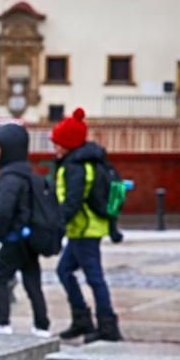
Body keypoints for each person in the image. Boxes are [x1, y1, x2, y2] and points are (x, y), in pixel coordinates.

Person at [51, 108, 123, 342]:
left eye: (58, 143)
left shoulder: (75, 167)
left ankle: (107, 327)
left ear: (69, 144)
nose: (55, 147)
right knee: (64, 271)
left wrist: (57, 227)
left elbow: (72, 202)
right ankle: (82, 320)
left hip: (85, 230)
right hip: (84, 229)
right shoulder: (87, 161)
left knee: (94, 278)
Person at [0, 124, 51, 337]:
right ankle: (42, 325)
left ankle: (2, 323)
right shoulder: (26, 173)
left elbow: (4, 211)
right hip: (29, 238)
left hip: (15, 238)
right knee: (32, 280)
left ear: (9, 148)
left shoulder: (9, 177)